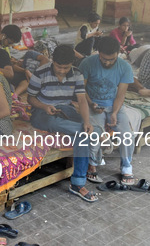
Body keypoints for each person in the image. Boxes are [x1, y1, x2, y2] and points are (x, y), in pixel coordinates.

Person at [27, 45, 97, 202]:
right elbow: (30, 98)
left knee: (87, 129)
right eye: (59, 66)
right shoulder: (40, 72)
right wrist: (44, 106)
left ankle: (89, 162)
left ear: (72, 63)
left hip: (65, 109)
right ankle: (78, 183)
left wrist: (86, 121)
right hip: (41, 112)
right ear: (53, 61)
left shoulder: (77, 74)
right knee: (82, 133)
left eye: (66, 67)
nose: (62, 71)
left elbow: (81, 100)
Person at [79, 36, 136, 185]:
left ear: (119, 53)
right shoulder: (87, 63)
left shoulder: (125, 67)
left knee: (127, 134)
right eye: (104, 59)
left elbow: (121, 94)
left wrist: (115, 112)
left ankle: (126, 167)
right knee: (94, 132)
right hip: (92, 105)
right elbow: (80, 89)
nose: (107, 62)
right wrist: (91, 104)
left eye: (112, 59)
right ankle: (93, 165)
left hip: (114, 106)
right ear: (98, 53)